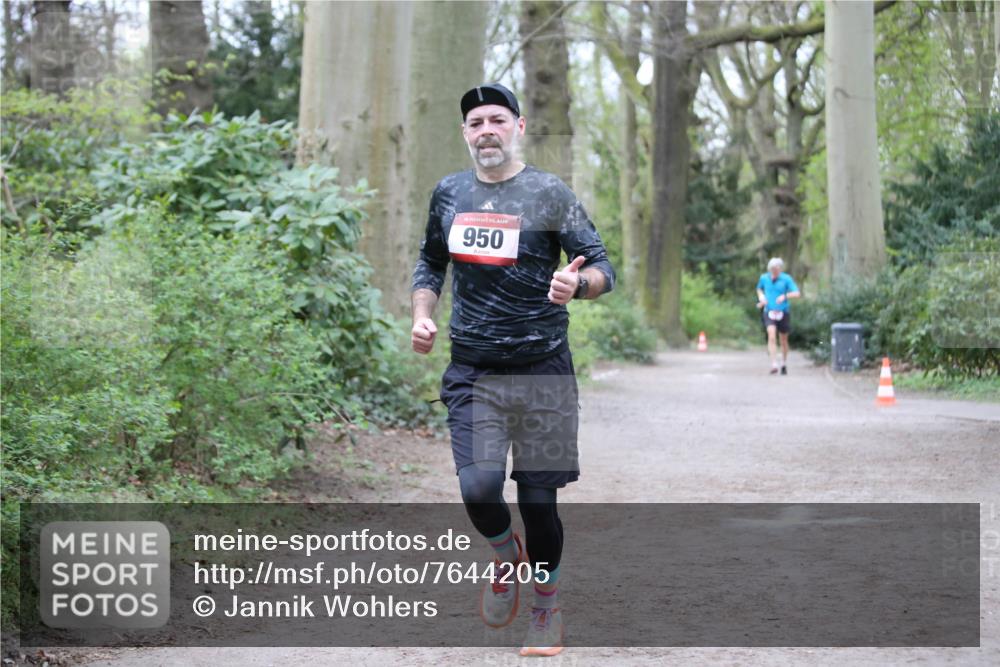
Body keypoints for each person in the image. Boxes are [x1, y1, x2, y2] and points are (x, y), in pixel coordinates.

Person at [410, 83, 615, 657]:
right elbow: (430, 260)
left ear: (518, 126)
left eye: (497, 120)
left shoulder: (548, 193)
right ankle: (507, 557)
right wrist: (423, 316)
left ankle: (546, 606)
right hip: (474, 371)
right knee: (478, 489)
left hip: (544, 373)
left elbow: (602, 267)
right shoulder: (449, 194)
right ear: (465, 134)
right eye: (476, 123)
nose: (486, 131)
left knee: (539, 503)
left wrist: (578, 284)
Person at [756, 257, 801, 375]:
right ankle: (774, 363)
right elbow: (759, 289)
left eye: (776, 269)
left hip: (783, 312)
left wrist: (785, 296)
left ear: (780, 268)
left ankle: (784, 363)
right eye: (772, 270)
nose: (774, 272)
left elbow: (797, 293)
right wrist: (762, 298)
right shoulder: (764, 278)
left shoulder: (786, 279)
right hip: (769, 311)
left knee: (783, 340)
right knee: (771, 335)